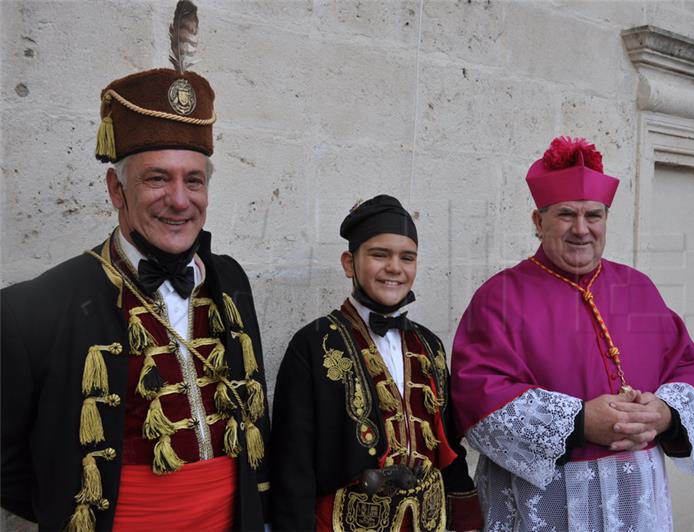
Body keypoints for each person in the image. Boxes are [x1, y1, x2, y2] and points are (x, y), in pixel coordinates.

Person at [0, 2, 269, 530]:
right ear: (115, 189)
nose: (179, 199)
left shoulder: (230, 280)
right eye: (156, 179)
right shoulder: (32, 307)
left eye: (194, 180)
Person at [450, 136, 694, 531]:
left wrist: (665, 414)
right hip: (547, 499)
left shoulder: (636, 287)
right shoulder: (499, 297)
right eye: (566, 215)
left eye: (594, 215)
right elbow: (477, 397)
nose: (581, 229)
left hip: (634, 495)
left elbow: (688, 365)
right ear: (538, 222)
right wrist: (580, 421)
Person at [269, 195, 483, 532]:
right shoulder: (313, 343)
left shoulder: (429, 345)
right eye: (379, 255)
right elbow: (292, 464)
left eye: (406, 257)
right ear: (349, 263)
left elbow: (448, 443)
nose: (395, 268)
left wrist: (467, 517)